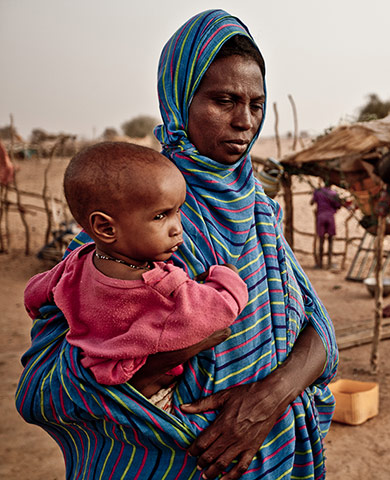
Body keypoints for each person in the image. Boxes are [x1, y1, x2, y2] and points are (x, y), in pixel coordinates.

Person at [16, 10, 338, 480]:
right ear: (179, 97)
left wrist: (268, 398)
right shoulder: (139, 209)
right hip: (180, 461)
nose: (244, 121)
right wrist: (156, 359)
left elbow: (317, 326)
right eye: (223, 100)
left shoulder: (260, 210)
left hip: (275, 451)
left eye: (256, 103)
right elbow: (41, 388)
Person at [23, 142, 248, 412]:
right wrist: (227, 276)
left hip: (94, 376)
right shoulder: (160, 286)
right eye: (160, 216)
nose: (178, 228)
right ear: (105, 227)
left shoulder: (76, 262)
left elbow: (35, 294)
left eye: (178, 211)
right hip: (153, 400)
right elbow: (219, 312)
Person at [311, 181, 342, 269]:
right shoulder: (334, 194)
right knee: (330, 240)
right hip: (330, 217)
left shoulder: (318, 192)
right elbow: (338, 205)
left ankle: (320, 264)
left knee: (321, 240)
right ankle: (329, 263)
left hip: (320, 217)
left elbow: (312, 202)